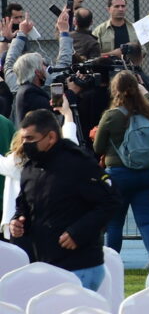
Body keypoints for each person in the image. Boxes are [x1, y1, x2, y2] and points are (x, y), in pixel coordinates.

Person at [11, 109, 120, 291]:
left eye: (30, 138)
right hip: (45, 264)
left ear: (51, 137)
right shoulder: (30, 168)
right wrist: (18, 220)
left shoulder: (78, 164)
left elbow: (110, 200)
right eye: (23, 138)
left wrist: (79, 232)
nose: (24, 144)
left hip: (79, 266)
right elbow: (24, 204)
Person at [93, 70, 149, 269]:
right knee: (146, 222)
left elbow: (98, 148)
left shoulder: (111, 116)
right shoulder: (148, 112)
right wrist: (144, 91)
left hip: (119, 174)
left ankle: (113, 262)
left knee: (115, 223)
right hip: (147, 174)